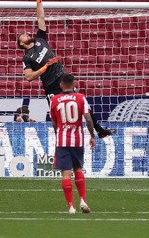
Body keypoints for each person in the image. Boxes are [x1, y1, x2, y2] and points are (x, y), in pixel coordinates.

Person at [18, 0, 114, 138]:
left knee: (82, 104)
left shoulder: (40, 39)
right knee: (56, 115)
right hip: (50, 86)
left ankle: (99, 130)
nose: (25, 33)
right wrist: (45, 67)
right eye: (22, 36)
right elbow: (29, 77)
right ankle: (60, 140)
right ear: (21, 44)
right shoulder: (27, 58)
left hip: (62, 78)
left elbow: (40, 18)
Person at [50, 73, 96, 214]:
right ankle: (82, 200)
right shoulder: (81, 97)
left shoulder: (55, 99)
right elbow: (88, 119)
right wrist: (92, 135)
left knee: (66, 174)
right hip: (77, 140)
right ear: (73, 83)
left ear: (61, 84)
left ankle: (71, 206)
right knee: (78, 169)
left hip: (62, 140)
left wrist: (60, 131)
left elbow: (54, 121)